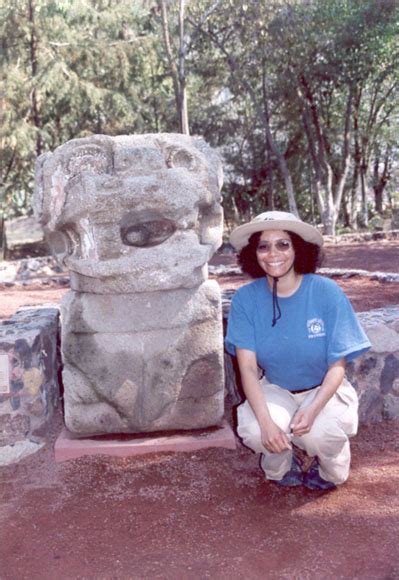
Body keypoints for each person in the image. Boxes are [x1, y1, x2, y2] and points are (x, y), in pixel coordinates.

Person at [225, 211, 371, 490]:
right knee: (257, 429)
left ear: (298, 249)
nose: (273, 254)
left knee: (320, 434)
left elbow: (337, 364)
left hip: (324, 389)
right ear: (253, 254)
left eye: (283, 244)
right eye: (263, 246)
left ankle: (330, 469)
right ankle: (281, 465)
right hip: (276, 389)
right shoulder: (245, 299)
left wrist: (314, 408)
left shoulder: (326, 292)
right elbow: (246, 367)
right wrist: (267, 423)